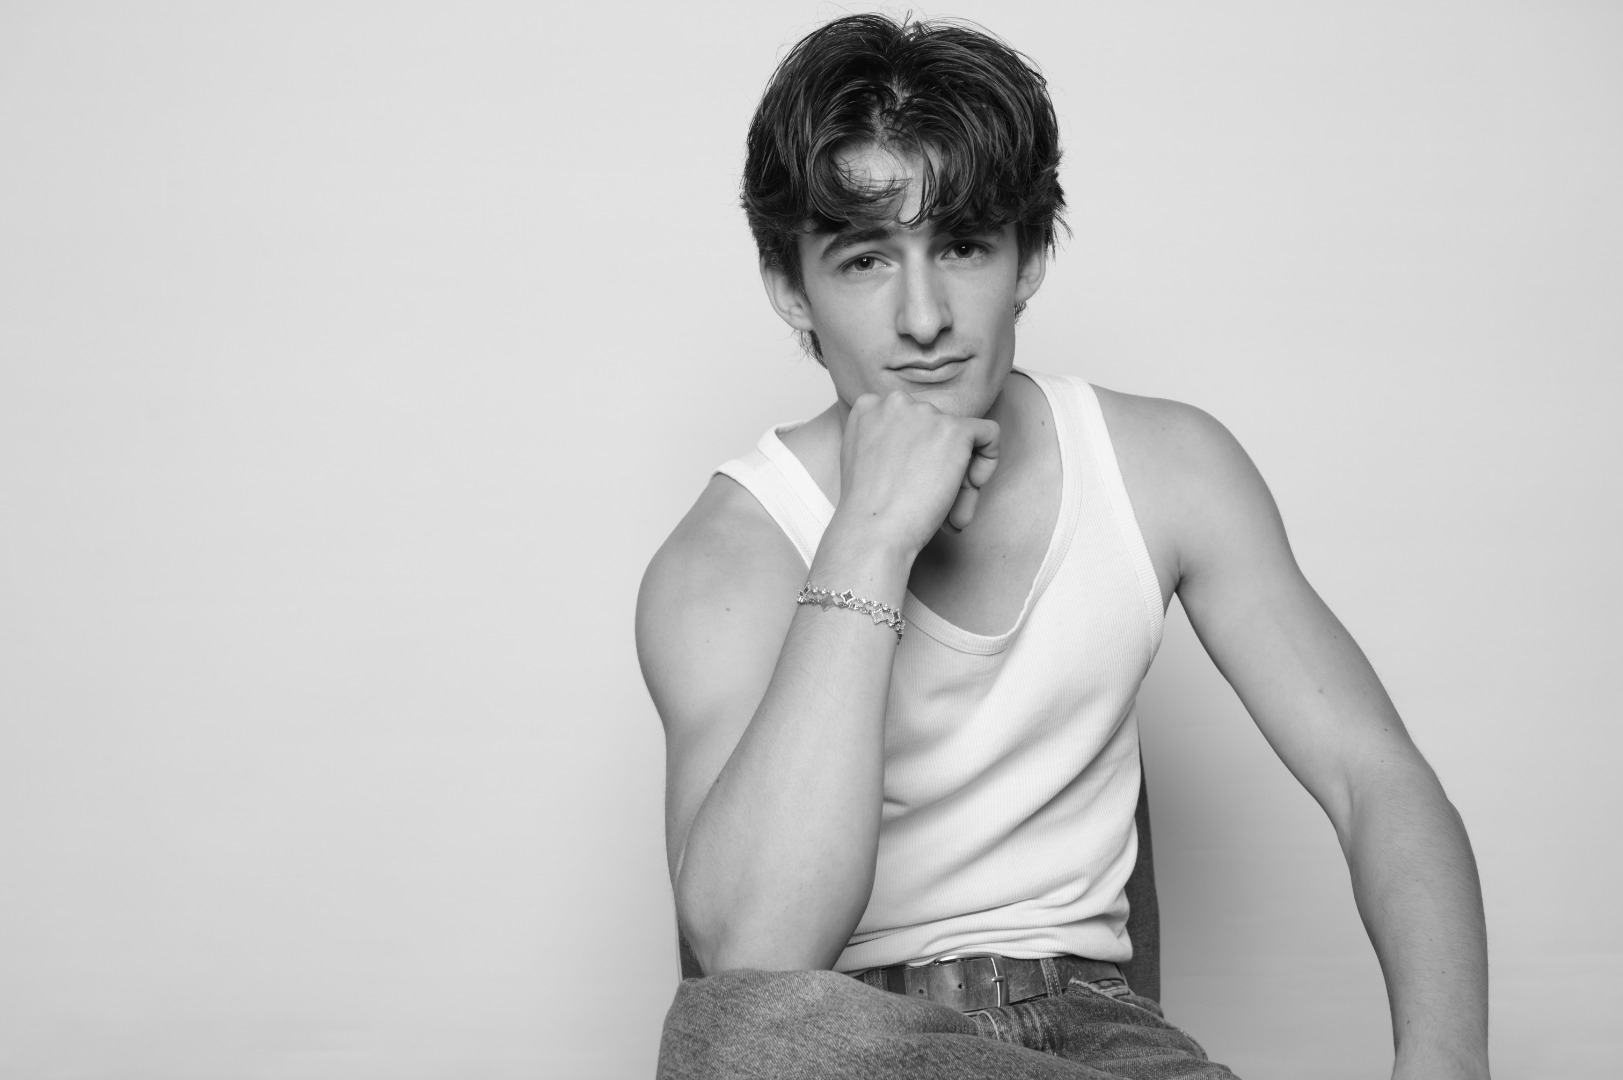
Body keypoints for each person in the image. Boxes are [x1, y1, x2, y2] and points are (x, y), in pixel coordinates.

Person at [636, 13, 1489, 1080]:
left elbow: (1376, 778)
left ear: (1029, 257)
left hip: (1100, 1043)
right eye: (864, 259)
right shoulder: (725, 556)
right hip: (845, 1041)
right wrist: (871, 535)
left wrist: (1447, 1064)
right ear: (789, 289)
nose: (923, 317)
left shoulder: (1164, 467)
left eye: (962, 246)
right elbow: (755, 961)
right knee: (742, 1039)